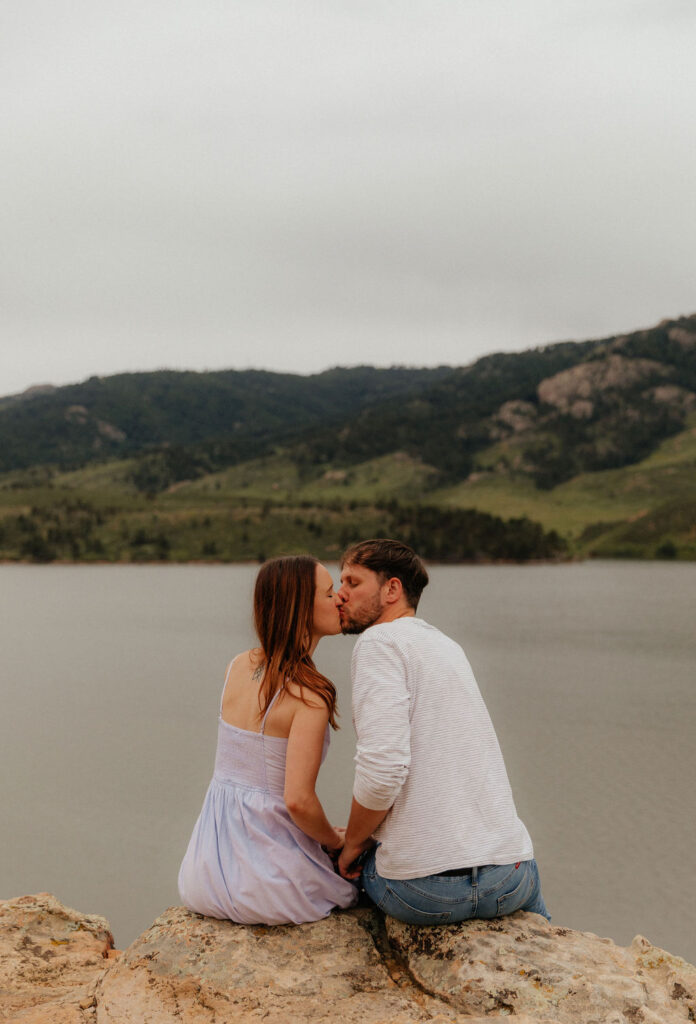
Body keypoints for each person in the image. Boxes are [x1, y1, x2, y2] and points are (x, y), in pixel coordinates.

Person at [336, 538, 549, 926]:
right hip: (510, 876)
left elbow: (383, 772)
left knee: (336, 868)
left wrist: (352, 842)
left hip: (427, 893)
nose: (340, 594)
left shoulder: (378, 643)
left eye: (352, 582)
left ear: (392, 589)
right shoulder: (445, 645)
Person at [178, 555, 357, 925]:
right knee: (368, 872)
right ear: (299, 609)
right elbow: (298, 801)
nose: (340, 598)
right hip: (270, 884)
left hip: (204, 873)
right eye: (328, 593)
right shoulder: (311, 695)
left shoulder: (238, 666)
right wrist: (335, 842)